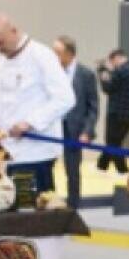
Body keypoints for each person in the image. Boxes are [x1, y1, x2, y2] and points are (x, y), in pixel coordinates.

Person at [0, 14, 76, 194]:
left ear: (14, 31)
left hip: (36, 153)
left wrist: (30, 122)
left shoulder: (42, 55)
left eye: (0, 42)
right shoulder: (3, 59)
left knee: (34, 214)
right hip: (6, 153)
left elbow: (65, 98)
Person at [54, 35, 100, 207]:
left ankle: (73, 206)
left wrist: (87, 131)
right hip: (53, 127)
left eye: (58, 53)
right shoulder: (52, 73)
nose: (54, 57)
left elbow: (93, 106)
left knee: (72, 170)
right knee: (47, 165)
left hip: (74, 129)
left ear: (70, 54)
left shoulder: (86, 75)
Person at [98, 50, 129, 172]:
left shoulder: (120, 71)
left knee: (112, 142)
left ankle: (122, 169)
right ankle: (102, 165)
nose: (113, 65)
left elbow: (108, 88)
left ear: (116, 58)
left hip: (116, 113)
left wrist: (103, 72)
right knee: (116, 140)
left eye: (112, 62)